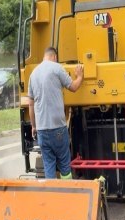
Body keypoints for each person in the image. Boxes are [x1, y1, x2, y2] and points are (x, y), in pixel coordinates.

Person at [27, 47, 84, 179]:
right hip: (57, 128)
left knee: (49, 167)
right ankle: (67, 194)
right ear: (54, 57)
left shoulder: (33, 74)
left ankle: (52, 195)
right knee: (65, 166)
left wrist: (34, 126)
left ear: (44, 56)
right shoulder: (57, 68)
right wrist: (80, 76)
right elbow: (74, 87)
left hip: (41, 130)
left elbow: (31, 105)